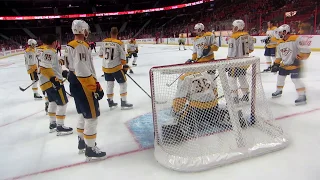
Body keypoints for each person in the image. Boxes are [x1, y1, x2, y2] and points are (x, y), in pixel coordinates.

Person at [161, 70, 248, 144]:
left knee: (181, 118)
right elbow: (215, 92)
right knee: (215, 115)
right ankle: (228, 117)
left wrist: (176, 111)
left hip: (196, 111)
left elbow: (180, 100)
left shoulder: (185, 78)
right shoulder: (206, 74)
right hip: (213, 108)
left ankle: (184, 128)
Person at [66, 19, 106, 160]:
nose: (87, 32)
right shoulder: (81, 46)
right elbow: (83, 71)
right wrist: (95, 87)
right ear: (82, 30)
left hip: (75, 83)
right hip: (83, 84)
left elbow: (71, 67)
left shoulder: (70, 45)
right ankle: (90, 148)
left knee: (82, 114)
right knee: (91, 116)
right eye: (86, 30)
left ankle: (82, 141)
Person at [38, 34, 73, 135]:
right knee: (63, 103)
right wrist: (54, 79)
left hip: (46, 83)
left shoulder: (43, 51)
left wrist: (63, 72)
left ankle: (52, 124)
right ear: (54, 42)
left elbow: (50, 67)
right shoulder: (49, 52)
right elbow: (44, 68)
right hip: (52, 83)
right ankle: (60, 126)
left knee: (52, 102)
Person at [271, 24, 311, 105]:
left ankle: (302, 95)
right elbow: (279, 55)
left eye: (281, 32)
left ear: (286, 32)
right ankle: (279, 90)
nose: (279, 34)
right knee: (280, 78)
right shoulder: (280, 42)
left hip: (295, 64)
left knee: (295, 79)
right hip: (285, 64)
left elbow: (306, 50)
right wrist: (276, 63)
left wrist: (299, 58)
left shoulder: (296, 38)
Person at [99, 27, 133, 110]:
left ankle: (110, 102)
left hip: (106, 68)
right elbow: (123, 59)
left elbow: (100, 55)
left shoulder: (104, 42)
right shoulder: (119, 43)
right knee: (123, 84)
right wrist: (124, 66)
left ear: (110, 33)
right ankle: (124, 102)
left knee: (110, 84)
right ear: (117, 33)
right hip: (116, 68)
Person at [227, 19, 254, 103]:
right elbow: (251, 49)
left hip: (235, 63)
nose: (232, 28)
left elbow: (231, 53)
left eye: (234, 26)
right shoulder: (248, 36)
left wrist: (228, 63)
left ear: (238, 27)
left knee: (232, 79)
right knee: (242, 77)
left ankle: (234, 98)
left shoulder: (233, 37)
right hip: (244, 63)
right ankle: (246, 95)